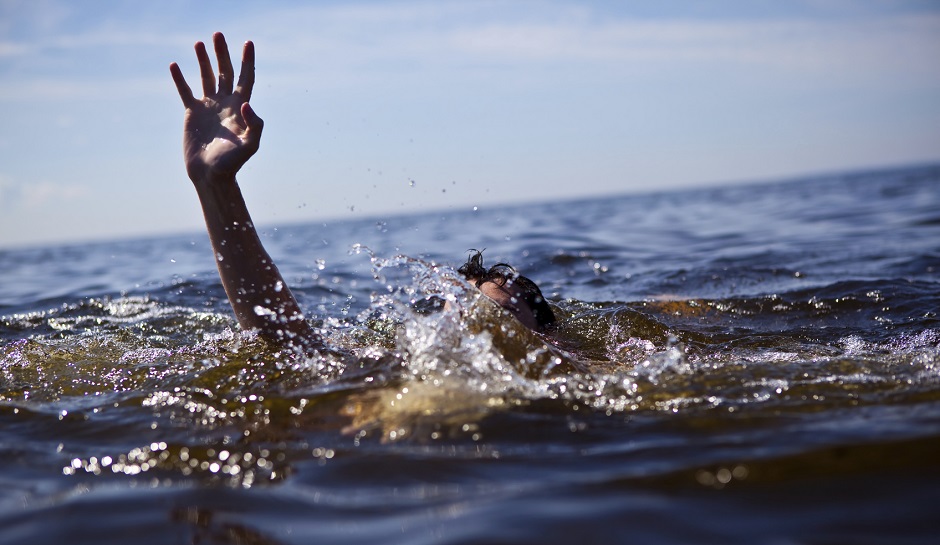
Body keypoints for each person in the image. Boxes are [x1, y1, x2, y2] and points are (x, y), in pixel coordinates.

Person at [169, 32, 554, 352]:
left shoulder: (568, 378)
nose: (474, 324)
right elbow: (287, 345)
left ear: (547, 342)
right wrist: (215, 186)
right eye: (463, 313)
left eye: (499, 315)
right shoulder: (394, 371)